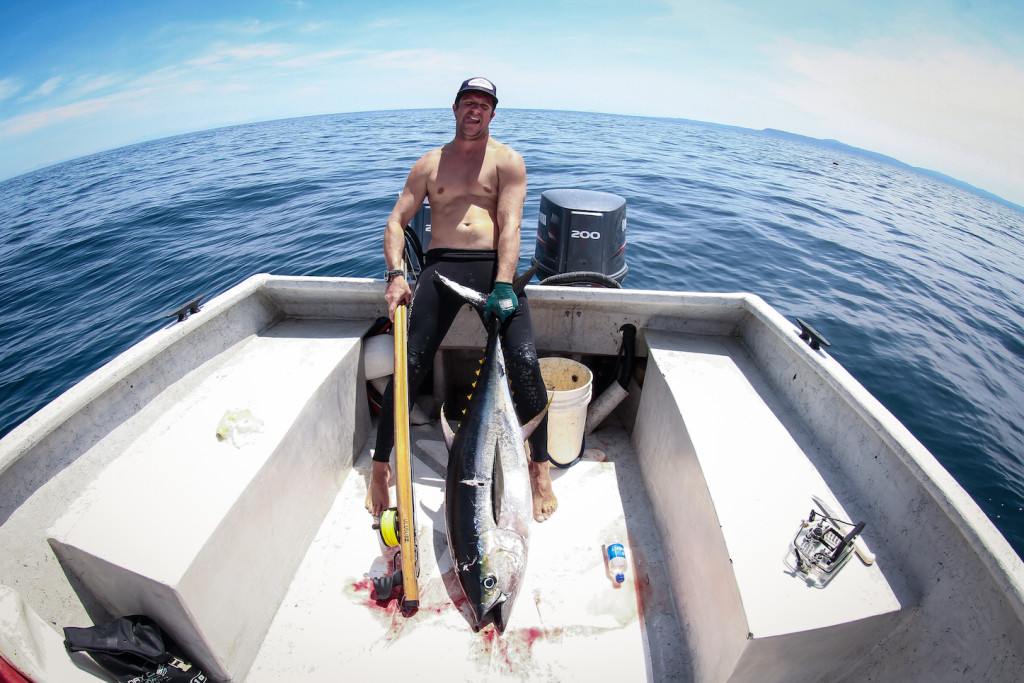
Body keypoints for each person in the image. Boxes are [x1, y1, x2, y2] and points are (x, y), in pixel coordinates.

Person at [368, 77, 557, 523]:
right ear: (454, 108)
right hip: (440, 268)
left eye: (484, 105)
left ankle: (539, 468)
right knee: (410, 363)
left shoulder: (508, 162)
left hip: (496, 268)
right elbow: (396, 222)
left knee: (526, 362)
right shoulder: (429, 165)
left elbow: (510, 225)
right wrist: (396, 275)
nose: (475, 110)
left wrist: (506, 284)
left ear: (493, 113)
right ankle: (379, 467)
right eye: (468, 102)